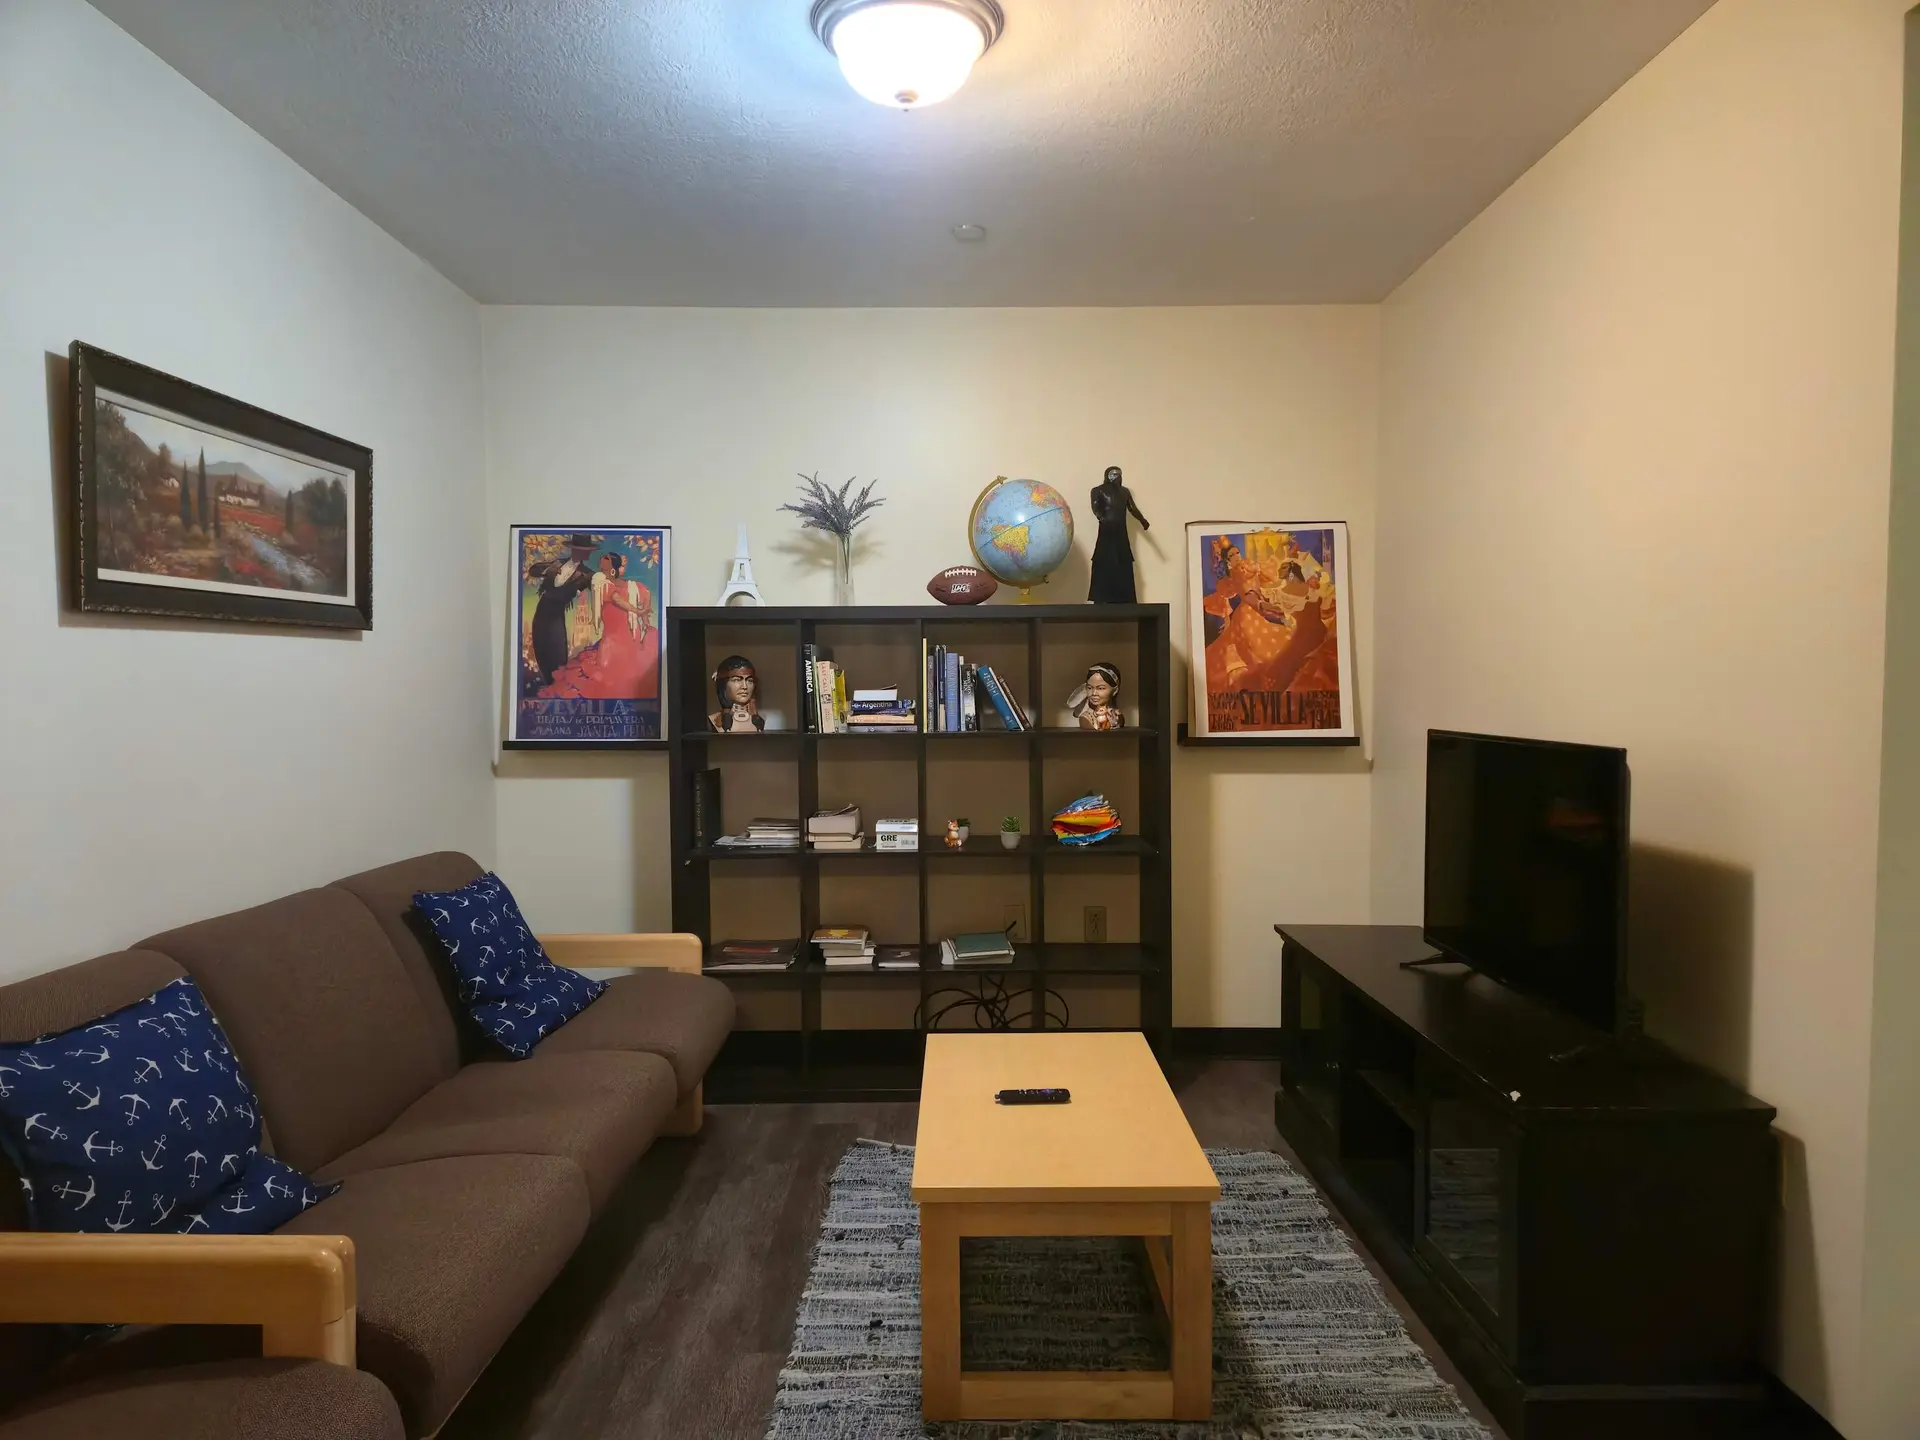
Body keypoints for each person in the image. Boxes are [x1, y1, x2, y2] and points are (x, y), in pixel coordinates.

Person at [1088, 465, 1150, 604]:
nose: (1117, 477)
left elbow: (1133, 508)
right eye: (1114, 474)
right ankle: (1102, 595)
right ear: (1108, 475)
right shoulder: (1098, 490)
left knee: (1123, 560)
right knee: (1104, 558)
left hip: (1121, 530)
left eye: (1119, 474)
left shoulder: (1125, 492)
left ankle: (1124, 596)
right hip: (1106, 530)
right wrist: (1102, 518)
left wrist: (1143, 520)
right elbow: (1096, 507)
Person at [529, 555, 592, 685]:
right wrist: (548, 569)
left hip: (557, 614)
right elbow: (533, 570)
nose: (580, 552)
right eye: (577, 549)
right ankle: (549, 682)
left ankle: (555, 685)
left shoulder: (586, 574)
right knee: (541, 647)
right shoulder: (557, 563)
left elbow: (599, 584)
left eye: (584, 551)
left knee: (557, 652)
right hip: (543, 611)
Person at [708, 656, 764, 733]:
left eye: (749, 680)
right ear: (723, 684)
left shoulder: (761, 718)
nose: (745, 686)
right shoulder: (715, 719)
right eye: (737, 680)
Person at [1069, 663, 1126, 730]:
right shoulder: (1086, 718)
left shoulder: (1116, 715)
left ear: (1115, 690)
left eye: (1100, 688)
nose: (1094, 693)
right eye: (1090, 688)